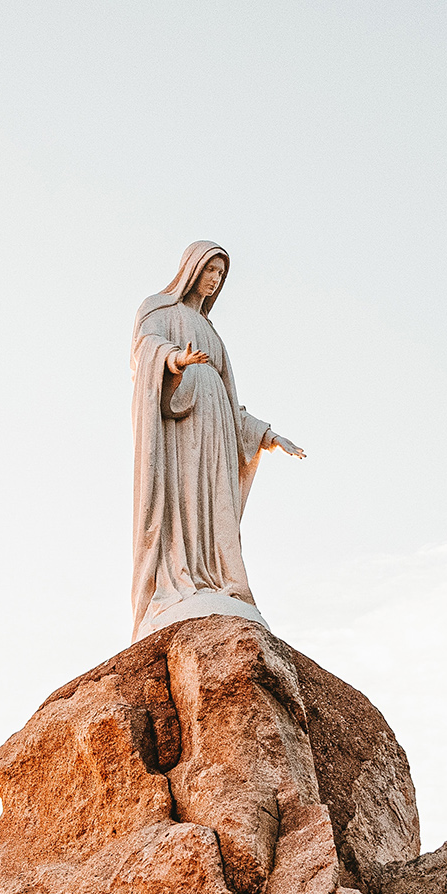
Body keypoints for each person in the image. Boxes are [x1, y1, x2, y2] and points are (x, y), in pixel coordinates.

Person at [130, 240, 304, 641]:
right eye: (210, 270)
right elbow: (145, 349)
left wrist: (266, 434)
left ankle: (216, 580)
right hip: (181, 428)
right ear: (192, 269)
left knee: (213, 508)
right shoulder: (158, 309)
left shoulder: (213, 334)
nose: (214, 280)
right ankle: (180, 580)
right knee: (184, 500)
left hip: (217, 432)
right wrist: (175, 360)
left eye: (221, 275)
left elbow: (232, 402)